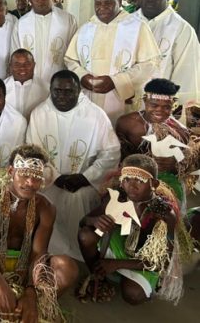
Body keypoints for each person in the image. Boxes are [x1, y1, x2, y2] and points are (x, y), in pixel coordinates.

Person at [0, 145, 78, 322]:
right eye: (24, 174)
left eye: (36, 177)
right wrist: (1, 286)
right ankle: (2, 301)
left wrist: (31, 292)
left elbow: (38, 253)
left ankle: (24, 305)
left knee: (67, 268)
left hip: (27, 267)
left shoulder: (46, 207)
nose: (30, 183)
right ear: (11, 171)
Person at [26, 70, 121, 260]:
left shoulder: (95, 115)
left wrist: (86, 177)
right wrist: (56, 176)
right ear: (50, 90)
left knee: (77, 197)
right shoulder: (39, 114)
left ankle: (79, 252)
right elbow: (33, 153)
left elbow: (111, 152)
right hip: (50, 181)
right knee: (44, 198)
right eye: (57, 91)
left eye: (68, 91)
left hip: (85, 182)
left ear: (78, 91)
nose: (62, 96)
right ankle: (46, 249)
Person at [77, 154, 192, 305]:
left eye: (139, 180)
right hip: (120, 245)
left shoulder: (163, 214)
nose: (132, 185)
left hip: (144, 259)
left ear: (154, 184)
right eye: (127, 179)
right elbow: (83, 221)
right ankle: (98, 275)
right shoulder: (118, 196)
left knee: (133, 294)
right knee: (86, 235)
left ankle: (135, 282)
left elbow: (161, 262)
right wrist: (96, 221)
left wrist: (116, 264)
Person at [65, 0, 160, 123]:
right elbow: (70, 59)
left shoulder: (137, 27)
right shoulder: (86, 28)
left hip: (122, 99)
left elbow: (150, 63)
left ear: (120, 2)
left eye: (108, 2)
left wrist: (117, 81)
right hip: (89, 96)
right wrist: (82, 76)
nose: (102, 7)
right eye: (98, 3)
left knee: (120, 135)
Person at [115, 79, 200, 209]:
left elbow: (187, 164)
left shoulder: (180, 131)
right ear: (145, 101)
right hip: (132, 186)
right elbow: (117, 158)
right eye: (154, 105)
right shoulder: (127, 123)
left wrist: (175, 164)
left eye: (166, 107)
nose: (159, 111)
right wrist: (145, 164)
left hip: (167, 189)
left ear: (173, 105)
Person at [134, 0, 199, 118]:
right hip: (126, 99)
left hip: (159, 105)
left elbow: (186, 73)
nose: (150, 0)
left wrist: (175, 110)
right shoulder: (128, 21)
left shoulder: (181, 29)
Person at [12, 0, 77, 101]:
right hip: (29, 81)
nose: (41, 1)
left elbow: (73, 53)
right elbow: (15, 52)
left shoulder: (68, 20)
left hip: (59, 82)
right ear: (30, 0)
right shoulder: (21, 23)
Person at [4, 49, 44, 119]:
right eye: (17, 65)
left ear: (34, 65)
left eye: (27, 64)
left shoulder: (46, 89)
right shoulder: (1, 88)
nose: (22, 68)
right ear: (10, 66)